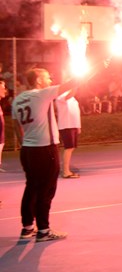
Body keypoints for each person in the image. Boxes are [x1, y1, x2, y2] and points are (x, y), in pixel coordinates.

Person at [13, 67, 78, 242]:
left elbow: (16, 125)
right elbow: (72, 83)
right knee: (46, 190)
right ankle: (43, 230)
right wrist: (98, 65)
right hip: (45, 149)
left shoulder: (18, 99)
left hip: (27, 150)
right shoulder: (41, 94)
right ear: (38, 81)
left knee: (31, 188)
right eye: (47, 77)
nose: (50, 80)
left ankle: (27, 228)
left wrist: (24, 143)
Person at [55, 88, 82, 179]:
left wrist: (78, 126)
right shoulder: (61, 95)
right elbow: (70, 94)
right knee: (69, 147)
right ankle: (66, 171)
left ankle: (66, 169)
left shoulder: (73, 98)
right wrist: (76, 82)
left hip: (72, 125)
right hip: (66, 125)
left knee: (71, 148)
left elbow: (75, 112)